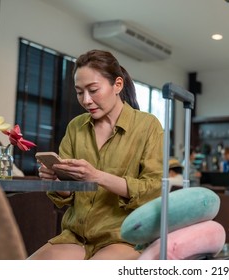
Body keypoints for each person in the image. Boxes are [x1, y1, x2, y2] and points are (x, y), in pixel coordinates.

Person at [30, 49, 163, 260]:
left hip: (124, 237)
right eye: (79, 92)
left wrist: (97, 176)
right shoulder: (76, 127)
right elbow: (65, 197)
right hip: (76, 236)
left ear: (117, 85)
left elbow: (155, 189)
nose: (86, 100)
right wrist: (58, 180)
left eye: (93, 90)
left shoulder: (148, 126)